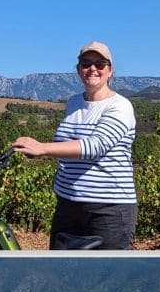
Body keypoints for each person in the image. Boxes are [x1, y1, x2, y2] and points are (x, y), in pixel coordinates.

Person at [12, 42, 137, 250]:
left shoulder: (120, 106)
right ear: (79, 69)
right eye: (86, 63)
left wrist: (42, 148)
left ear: (110, 70)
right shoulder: (73, 103)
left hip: (108, 211)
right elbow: (68, 145)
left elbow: (95, 146)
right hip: (68, 205)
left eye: (100, 63)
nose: (93, 69)